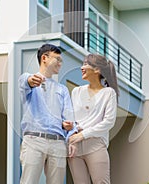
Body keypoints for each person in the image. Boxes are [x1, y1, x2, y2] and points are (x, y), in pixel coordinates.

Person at [18, 43, 77, 184]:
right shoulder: (30, 80)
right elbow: (25, 82)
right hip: (34, 140)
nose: (60, 63)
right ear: (44, 58)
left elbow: (69, 118)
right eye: (57, 59)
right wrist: (30, 80)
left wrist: (69, 127)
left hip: (58, 143)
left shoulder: (62, 90)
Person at [68, 54, 119, 184]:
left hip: (96, 145)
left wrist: (83, 135)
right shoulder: (77, 91)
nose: (82, 67)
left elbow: (108, 122)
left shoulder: (108, 93)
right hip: (75, 146)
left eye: (86, 64)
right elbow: (71, 118)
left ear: (97, 70)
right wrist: (72, 137)